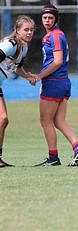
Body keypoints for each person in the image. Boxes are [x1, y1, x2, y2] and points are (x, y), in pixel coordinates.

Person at [32, 4, 78, 166]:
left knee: (45, 121)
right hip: (63, 82)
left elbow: (57, 61)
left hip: (54, 83)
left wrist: (40, 76)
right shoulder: (57, 35)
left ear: (56, 19)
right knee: (59, 121)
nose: (47, 21)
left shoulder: (54, 36)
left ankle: (53, 157)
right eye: (45, 18)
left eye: (50, 18)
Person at [0, 15, 36, 168]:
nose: (29, 32)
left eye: (31, 30)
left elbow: (17, 68)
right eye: (26, 30)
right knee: (3, 119)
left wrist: (28, 76)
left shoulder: (24, 47)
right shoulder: (11, 43)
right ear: (17, 30)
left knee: (3, 120)